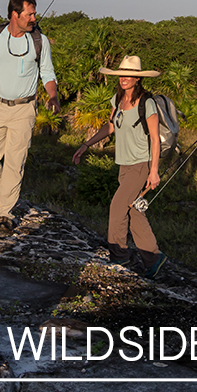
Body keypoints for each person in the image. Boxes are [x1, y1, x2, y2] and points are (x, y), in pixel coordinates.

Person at [72, 55, 167, 278]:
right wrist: (87, 144)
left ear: (138, 79)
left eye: (129, 75)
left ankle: (119, 255)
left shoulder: (147, 103)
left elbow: (155, 138)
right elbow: (111, 127)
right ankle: (153, 258)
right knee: (133, 211)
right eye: (121, 74)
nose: (124, 78)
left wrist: (154, 171)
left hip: (141, 165)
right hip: (124, 165)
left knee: (117, 207)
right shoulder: (117, 100)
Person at [0, 0, 59, 228]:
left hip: (24, 109)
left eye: (34, 13)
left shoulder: (39, 41)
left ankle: (6, 212)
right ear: (15, 14)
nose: (34, 18)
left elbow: (47, 72)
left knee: (15, 161)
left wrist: (53, 95)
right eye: (29, 13)